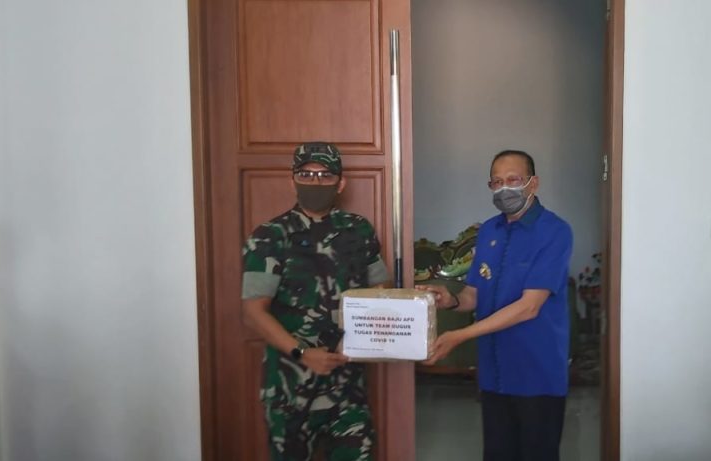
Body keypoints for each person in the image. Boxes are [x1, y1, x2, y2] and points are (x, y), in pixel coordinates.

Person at [418, 149, 574, 461]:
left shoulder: (555, 232)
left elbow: (529, 307)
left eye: (513, 180)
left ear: (533, 183)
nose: (504, 189)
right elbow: (474, 295)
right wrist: (450, 300)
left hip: (537, 375)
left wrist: (460, 336)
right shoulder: (489, 231)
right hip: (494, 373)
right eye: (497, 182)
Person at [241, 141, 389, 461]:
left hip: (348, 387)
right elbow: (253, 312)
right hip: (290, 388)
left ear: (340, 183)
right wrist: (303, 353)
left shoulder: (359, 230)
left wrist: (363, 337)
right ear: (292, 180)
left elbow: (381, 290)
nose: (315, 182)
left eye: (325, 175)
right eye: (306, 174)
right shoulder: (269, 236)